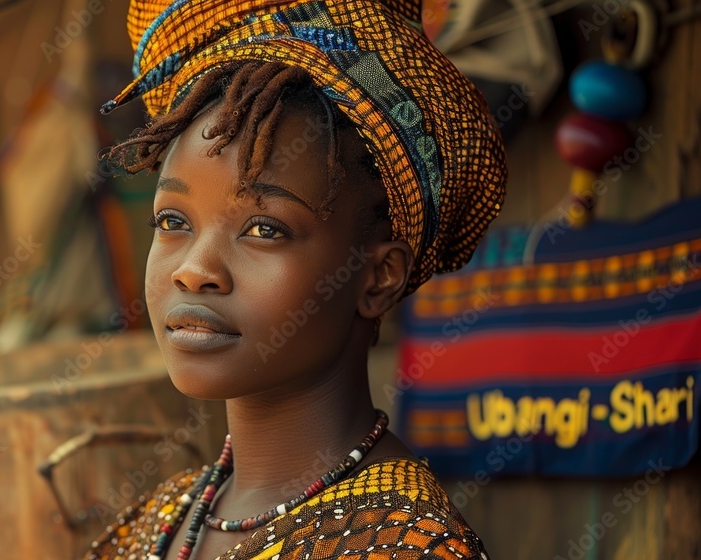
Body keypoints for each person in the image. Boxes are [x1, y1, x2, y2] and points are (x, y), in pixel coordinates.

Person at [86, 0, 507, 558]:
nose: (194, 270)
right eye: (173, 222)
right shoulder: (153, 525)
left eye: (264, 229)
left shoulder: (403, 545)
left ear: (378, 277)